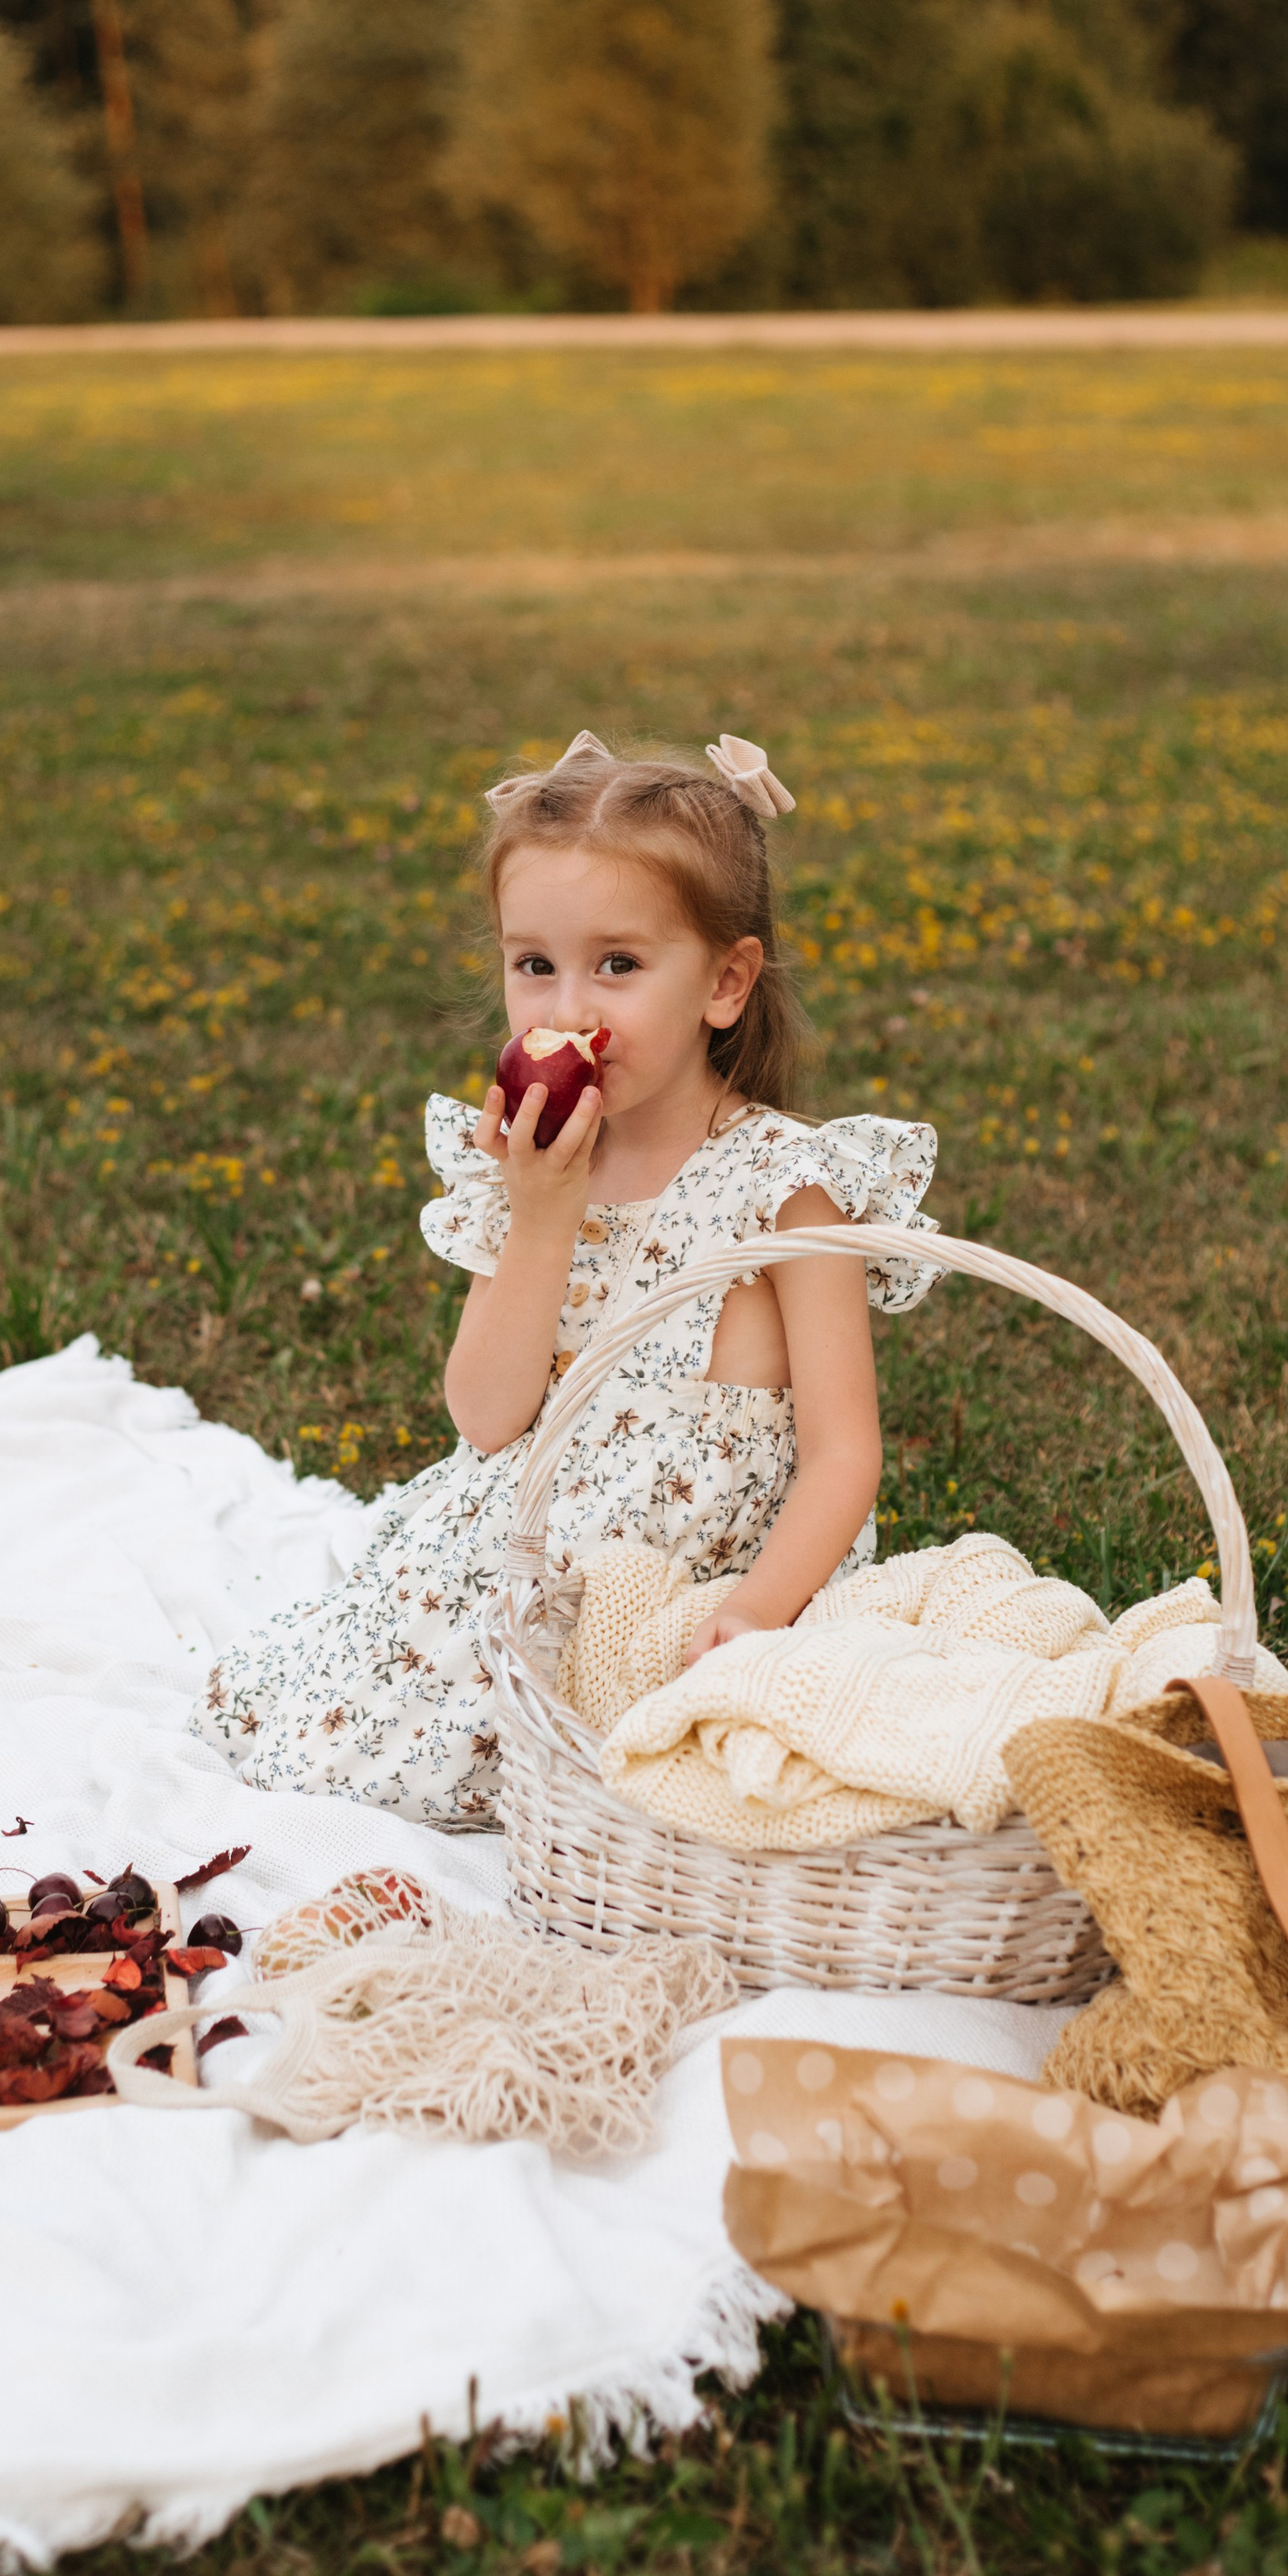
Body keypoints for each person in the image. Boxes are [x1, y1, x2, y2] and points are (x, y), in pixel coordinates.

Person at [190, 730, 942, 1829]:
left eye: (618, 965)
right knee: (378, 1720)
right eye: (533, 964)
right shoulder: (533, 1164)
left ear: (725, 982)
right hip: (537, 1540)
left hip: (706, 1582)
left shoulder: (787, 1184)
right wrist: (539, 1217)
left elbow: (845, 1449)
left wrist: (757, 1610)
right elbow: (487, 1418)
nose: (566, 1010)